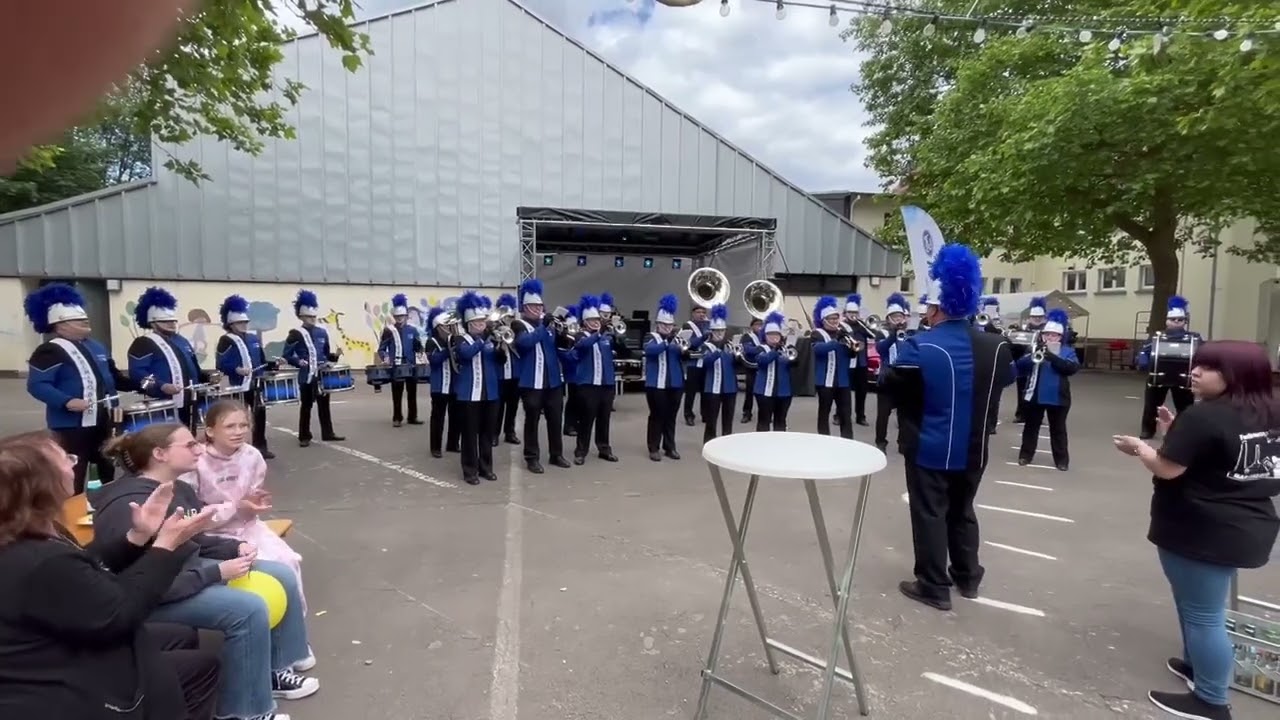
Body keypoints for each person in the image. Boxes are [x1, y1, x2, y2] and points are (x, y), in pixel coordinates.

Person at [93, 423, 318, 720]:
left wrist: (233, 548)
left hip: (183, 575)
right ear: (160, 454)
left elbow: (192, 540)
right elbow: (138, 583)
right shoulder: (128, 504)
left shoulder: (180, 489)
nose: (199, 449)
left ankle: (276, 670)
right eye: (189, 445)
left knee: (281, 574)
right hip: (154, 597)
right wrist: (215, 574)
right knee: (247, 609)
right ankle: (243, 711)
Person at [0, 431, 222, 720]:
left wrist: (138, 536)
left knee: (179, 639)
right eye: (66, 459)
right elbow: (121, 614)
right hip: (62, 681)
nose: (73, 464)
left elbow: (85, 566)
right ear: (43, 483)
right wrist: (167, 546)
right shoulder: (38, 557)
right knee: (198, 666)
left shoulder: (22, 530)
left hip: (57, 647)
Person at [1111, 340, 1280, 720]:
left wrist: (1140, 447)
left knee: (1204, 615)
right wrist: (1176, 431)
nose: (1195, 372)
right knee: (1198, 604)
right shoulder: (1271, 410)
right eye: (1197, 364)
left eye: (1208, 367)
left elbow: (1168, 468)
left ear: (1234, 374)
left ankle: (1211, 699)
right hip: (1249, 524)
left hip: (1200, 528)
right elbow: (1225, 454)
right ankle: (1195, 666)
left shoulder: (1204, 416)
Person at [882, 244, 1015, 611]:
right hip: (975, 449)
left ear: (937, 307)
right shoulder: (998, 346)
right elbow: (1007, 378)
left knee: (930, 513)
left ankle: (933, 585)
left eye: (928, 306)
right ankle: (968, 577)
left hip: (930, 446)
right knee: (963, 509)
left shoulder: (919, 346)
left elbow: (889, 385)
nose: (925, 312)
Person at [187, 399, 307, 613]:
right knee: (261, 569)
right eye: (230, 426)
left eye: (243, 425)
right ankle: (256, 621)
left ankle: (293, 629)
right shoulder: (197, 463)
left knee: (288, 562)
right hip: (212, 536)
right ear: (211, 431)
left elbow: (250, 497)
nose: (238, 432)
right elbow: (193, 517)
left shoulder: (252, 455)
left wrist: (252, 504)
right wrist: (234, 507)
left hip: (248, 526)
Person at [23, 283, 137, 492]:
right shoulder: (48, 351)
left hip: (104, 419)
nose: (85, 322)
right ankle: (70, 514)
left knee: (106, 466)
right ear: (60, 325)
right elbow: (37, 385)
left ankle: (105, 505)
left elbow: (115, 377)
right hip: (71, 425)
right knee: (74, 472)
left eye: (84, 318)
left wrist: (145, 385)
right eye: (77, 320)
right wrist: (66, 401)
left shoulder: (97, 346)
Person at [127, 286, 217, 432]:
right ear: (153, 323)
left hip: (189, 401)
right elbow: (138, 376)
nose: (171, 324)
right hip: (161, 404)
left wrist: (207, 377)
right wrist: (161, 386)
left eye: (173, 321)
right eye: (165, 321)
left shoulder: (181, 340)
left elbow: (194, 369)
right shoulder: (143, 343)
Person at [509, 280, 571, 474]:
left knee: (555, 418)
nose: (538, 309)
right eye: (534, 306)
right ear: (525, 308)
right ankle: (531, 457)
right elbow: (524, 344)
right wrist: (544, 328)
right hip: (531, 381)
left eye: (540, 306)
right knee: (532, 419)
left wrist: (563, 333)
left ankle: (556, 454)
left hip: (552, 380)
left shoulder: (549, 326)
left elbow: (562, 346)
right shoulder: (519, 324)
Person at [1016, 309, 1079, 471]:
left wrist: (1053, 357)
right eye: (1047, 335)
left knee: (1058, 430)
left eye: (1053, 335)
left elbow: (1071, 369)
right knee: (1031, 427)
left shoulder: (1068, 351)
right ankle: (1025, 455)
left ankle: (1061, 460)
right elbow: (1019, 367)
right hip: (1035, 395)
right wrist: (1032, 357)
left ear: (1060, 337)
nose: (1049, 338)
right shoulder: (1034, 348)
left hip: (1058, 397)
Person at [282, 290, 345, 448]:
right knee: (307, 405)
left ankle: (328, 432)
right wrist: (298, 362)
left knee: (325, 404)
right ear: (302, 317)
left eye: (314, 317)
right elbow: (287, 355)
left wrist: (334, 356)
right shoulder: (295, 334)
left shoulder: (322, 332)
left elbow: (325, 353)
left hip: (321, 373)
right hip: (306, 374)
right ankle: (304, 435)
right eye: (309, 317)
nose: (312, 319)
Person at [215, 294, 275, 459]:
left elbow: (262, 360)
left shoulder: (253, 338)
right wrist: (237, 369)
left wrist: (272, 364)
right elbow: (220, 364)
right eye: (240, 323)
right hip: (238, 385)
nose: (244, 325)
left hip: (256, 383)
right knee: (236, 419)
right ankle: (234, 449)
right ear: (231, 324)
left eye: (245, 322)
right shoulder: (226, 340)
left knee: (260, 415)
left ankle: (260, 447)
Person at [453, 291, 504, 485]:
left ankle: (486, 468)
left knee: (486, 434)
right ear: (469, 324)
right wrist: (484, 340)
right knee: (469, 434)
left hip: (490, 393)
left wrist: (500, 347)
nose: (483, 325)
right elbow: (466, 355)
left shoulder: (490, 340)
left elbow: (501, 361)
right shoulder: (460, 339)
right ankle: (470, 470)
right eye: (478, 322)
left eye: (483, 321)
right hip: (468, 395)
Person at [1137, 295, 1202, 439]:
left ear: (1185, 322)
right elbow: (1144, 350)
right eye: (1173, 319)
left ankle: (1186, 431)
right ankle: (1147, 430)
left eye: (1180, 320)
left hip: (1183, 378)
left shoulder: (1194, 338)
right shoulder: (1157, 336)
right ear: (1167, 321)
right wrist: (1142, 360)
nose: (1177, 322)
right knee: (1152, 405)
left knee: (1185, 407)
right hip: (1158, 377)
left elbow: (1203, 354)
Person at [571, 295, 619, 465]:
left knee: (604, 418)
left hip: (606, 384)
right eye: (592, 320)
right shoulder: (579, 336)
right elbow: (583, 346)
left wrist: (618, 336)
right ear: (584, 322)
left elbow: (621, 350)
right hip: (588, 384)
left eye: (597, 319)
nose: (596, 322)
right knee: (586, 418)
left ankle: (604, 448)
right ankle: (581, 451)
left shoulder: (605, 337)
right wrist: (599, 334)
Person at [643, 294, 686, 461]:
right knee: (657, 415)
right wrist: (667, 342)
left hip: (675, 383)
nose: (668, 328)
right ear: (657, 324)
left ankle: (670, 446)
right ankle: (653, 447)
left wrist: (685, 350)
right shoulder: (650, 337)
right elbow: (650, 351)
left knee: (671, 417)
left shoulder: (676, 340)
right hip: (656, 384)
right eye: (664, 325)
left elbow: (685, 356)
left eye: (670, 325)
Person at [377, 293, 425, 429]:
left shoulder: (413, 330)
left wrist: (420, 348)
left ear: (406, 317)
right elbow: (381, 348)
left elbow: (418, 347)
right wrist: (385, 357)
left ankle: (412, 416)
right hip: (396, 366)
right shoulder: (389, 330)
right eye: (397, 317)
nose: (400, 319)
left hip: (411, 365)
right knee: (397, 393)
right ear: (394, 317)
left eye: (402, 316)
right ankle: (397, 417)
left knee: (412, 392)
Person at [810, 296, 854, 439]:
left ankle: (848, 441)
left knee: (846, 413)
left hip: (843, 381)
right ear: (824, 320)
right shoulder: (817, 333)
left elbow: (851, 356)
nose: (835, 321)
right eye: (831, 319)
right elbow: (818, 350)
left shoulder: (845, 333)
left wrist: (852, 348)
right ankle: (824, 440)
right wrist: (836, 341)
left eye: (836, 318)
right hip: (825, 381)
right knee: (824, 412)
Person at [873, 293, 911, 452]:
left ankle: (903, 442)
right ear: (888, 319)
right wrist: (894, 334)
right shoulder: (882, 333)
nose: (897, 319)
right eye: (894, 317)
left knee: (904, 414)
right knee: (883, 415)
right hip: (886, 379)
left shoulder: (909, 333)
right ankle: (881, 442)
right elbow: (881, 348)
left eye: (900, 316)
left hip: (903, 379)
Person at [425, 307, 462, 458]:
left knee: (456, 416)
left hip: (454, 385)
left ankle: (453, 443)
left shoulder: (455, 340)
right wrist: (449, 347)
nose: (450, 329)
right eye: (447, 326)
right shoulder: (431, 342)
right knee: (438, 418)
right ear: (438, 327)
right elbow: (434, 360)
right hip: (439, 386)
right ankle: (435, 447)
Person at [699, 304, 738, 442]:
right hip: (712, 388)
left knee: (728, 420)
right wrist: (718, 348)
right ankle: (709, 442)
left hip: (730, 388)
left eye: (722, 331)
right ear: (711, 332)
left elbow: (738, 366)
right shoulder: (706, 346)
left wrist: (737, 356)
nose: (720, 334)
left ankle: (726, 443)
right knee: (711, 420)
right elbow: (706, 362)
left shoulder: (730, 346)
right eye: (716, 331)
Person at [752, 312, 794, 431]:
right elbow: (763, 361)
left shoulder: (785, 349)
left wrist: (792, 354)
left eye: (776, 334)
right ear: (765, 336)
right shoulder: (760, 348)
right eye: (770, 334)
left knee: (781, 422)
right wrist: (775, 350)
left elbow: (795, 364)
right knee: (764, 421)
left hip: (784, 392)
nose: (774, 337)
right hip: (764, 391)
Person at [1011, 296, 1048, 423]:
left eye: (1039, 317)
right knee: (1022, 389)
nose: (1037, 319)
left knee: (1038, 391)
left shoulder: (1047, 331)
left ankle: (1037, 415)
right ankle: (1021, 413)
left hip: (1040, 366)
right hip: (1024, 364)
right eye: (1034, 317)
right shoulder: (1023, 330)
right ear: (1030, 317)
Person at [492, 293, 522, 446]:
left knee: (513, 405)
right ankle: (494, 434)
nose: (510, 319)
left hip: (515, 375)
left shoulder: (517, 330)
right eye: (507, 317)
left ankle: (510, 432)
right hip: (499, 375)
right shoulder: (493, 331)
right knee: (498, 407)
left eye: (511, 316)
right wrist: (499, 341)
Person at [977, 295, 1006, 436]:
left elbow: (1002, 339)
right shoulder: (977, 323)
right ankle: (982, 422)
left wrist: (992, 324)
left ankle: (991, 424)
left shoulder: (999, 325)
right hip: (981, 364)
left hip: (996, 366)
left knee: (994, 398)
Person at [842, 294, 872, 427]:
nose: (853, 315)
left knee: (862, 391)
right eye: (850, 312)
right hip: (847, 362)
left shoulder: (862, 326)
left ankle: (861, 416)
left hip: (861, 362)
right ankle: (840, 415)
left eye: (855, 312)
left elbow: (874, 335)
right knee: (843, 391)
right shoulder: (842, 326)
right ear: (845, 313)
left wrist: (864, 325)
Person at [681, 304, 711, 426]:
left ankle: (705, 413)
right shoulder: (688, 326)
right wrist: (704, 336)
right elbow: (690, 343)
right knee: (691, 392)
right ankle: (689, 415)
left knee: (706, 391)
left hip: (707, 362)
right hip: (693, 363)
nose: (701, 314)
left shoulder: (709, 325)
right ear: (693, 314)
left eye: (703, 312)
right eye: (698, 312)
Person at [561, 306, 582, 437]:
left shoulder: (579, 336)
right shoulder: (565, 338)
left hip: (581, 371)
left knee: (580, 400)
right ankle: (568, 425)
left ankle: (576, 423)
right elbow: (563, 354)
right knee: (573, 399)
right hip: (572, 372)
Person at [738, 317, 763, 423]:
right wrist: (762, 348)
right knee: (750, 392)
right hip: (751, 367)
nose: (759, 327)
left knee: (763, 393)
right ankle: (747, 413)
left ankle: (764, 413)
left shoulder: (766, 336)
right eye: (757, 324)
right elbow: (748, 350)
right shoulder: (747, 336)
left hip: (763, 367)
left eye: (761, 324)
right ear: (752, 326)